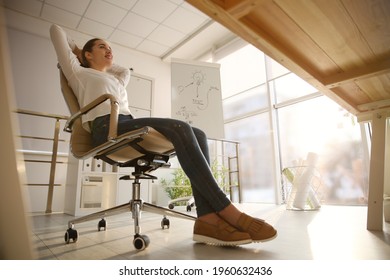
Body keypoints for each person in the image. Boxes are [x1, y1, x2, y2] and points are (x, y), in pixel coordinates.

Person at [50, 24, 277, 246]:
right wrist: (78, 51)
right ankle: (227, 210)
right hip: (105, 128)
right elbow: (56, 30)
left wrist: (99, 55)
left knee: (197, 133)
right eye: (101, 47)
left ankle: (206, 219)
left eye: (110, 47)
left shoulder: (116, 79)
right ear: (87, 54)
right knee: (180, 128)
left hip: (125, 123)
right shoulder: (77, 72)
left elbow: (124, 71)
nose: (109, 50)